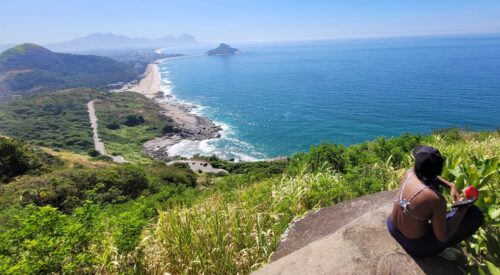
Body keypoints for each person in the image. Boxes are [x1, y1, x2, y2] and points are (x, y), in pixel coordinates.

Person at [386, 146, 483, 258]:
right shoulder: (436, 200)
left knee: (433, 184)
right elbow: (443, 237)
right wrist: (463, 208)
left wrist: (450, 185)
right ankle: (440, 251)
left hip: (392, 226)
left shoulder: (409, 174)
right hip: (414, 246)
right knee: (475, 214)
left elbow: (432, 177)